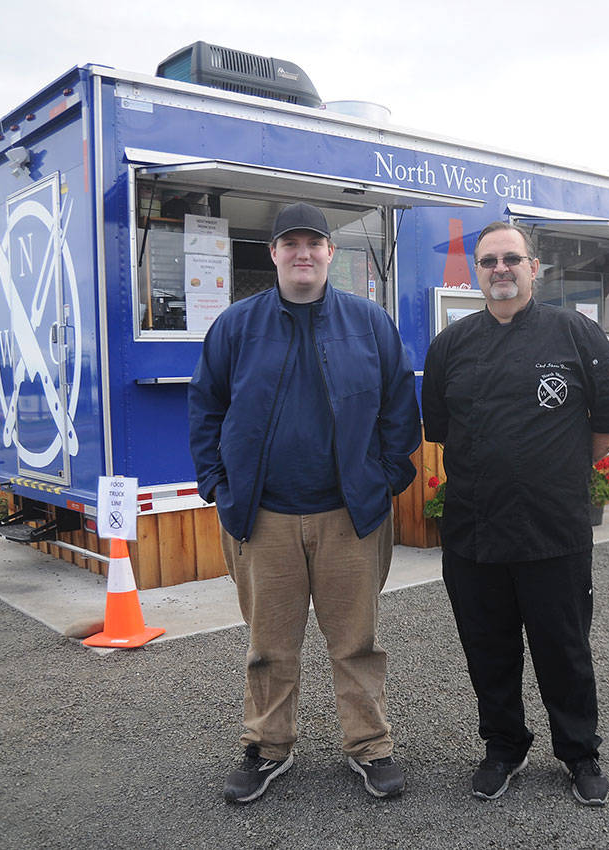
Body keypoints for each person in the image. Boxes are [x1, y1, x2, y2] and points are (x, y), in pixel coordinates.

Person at [188, 202, 421, 803]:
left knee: (357, 642)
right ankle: (267, 748)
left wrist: (388, 478)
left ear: (330, 254)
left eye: (313, 243)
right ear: (272, 254)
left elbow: (400, 408)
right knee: (269, 645)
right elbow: (206, 410)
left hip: (351, 518)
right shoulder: (236, 327)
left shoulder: (369, 323)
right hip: (263, 519)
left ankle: (369, 745)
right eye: (290, 244)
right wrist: (219, 484)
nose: (303, 253)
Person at [422, 221, 609, 806]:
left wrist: (558, 470)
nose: (500, 270)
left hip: (553, 530)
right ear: (478, 272)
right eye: (488, 261)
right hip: (474, 531)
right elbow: (441, 430)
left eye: (511, 259)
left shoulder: (575, 334)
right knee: (487, 650)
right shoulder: (451, 345)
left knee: (563, 649)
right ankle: (503, 748)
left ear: (534, 268)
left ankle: (579, 753)